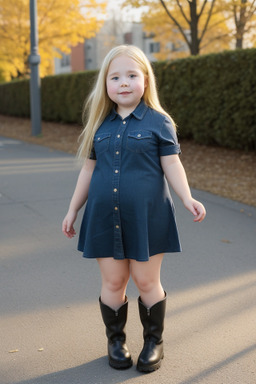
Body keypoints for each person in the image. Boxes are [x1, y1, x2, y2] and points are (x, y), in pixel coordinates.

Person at [62, 45, 206, 373]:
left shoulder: (160, 122)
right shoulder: (100, 124)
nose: (123, 82)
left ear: (145, 80)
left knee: (144, 280)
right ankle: (116, 341)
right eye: (115, 77)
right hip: (102, 215)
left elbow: (172, 163)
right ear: (106, 85)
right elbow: (88, 171)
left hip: (147, 217)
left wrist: (187, 198)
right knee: (113, 282)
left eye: (131, 75)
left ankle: (154, 342)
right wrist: (72, 210)